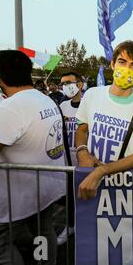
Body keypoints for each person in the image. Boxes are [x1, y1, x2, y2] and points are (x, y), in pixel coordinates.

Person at [0, 50, 66, 265]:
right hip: (42, 192)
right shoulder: (44, 99)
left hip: (11, 199)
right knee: (43, 232)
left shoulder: (11, 107)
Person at [75, 40, 133, 200]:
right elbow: (81, 129)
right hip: (90, 181)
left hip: (128, 188)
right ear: (112, 64)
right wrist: (82, 153)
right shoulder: (92, 94)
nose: (126, 69)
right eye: (122, 62)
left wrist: (103, 170)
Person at [57, 71, 84, 245]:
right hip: (67, 161)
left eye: (69, 82)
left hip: (85, 160)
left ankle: (87, 226)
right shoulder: (62, 105)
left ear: (80, 84)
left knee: (87, 196)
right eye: (63, 84)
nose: (66, 86)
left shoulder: (89, 105)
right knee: (70, 198)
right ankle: (71, 226)